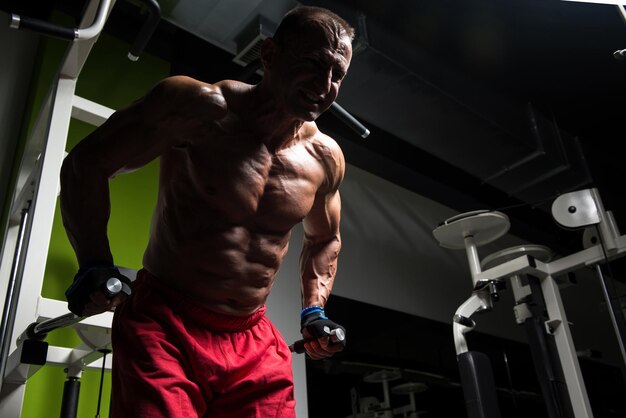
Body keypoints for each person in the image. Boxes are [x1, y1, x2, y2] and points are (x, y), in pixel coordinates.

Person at [59, 5, 354, 418]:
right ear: (269, 55)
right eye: (312, 64)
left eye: (337, 75)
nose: (325, 86)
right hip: (166, 324)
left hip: (252, 339)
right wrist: (93, 260)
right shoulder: (199, 107)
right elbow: (87, 164)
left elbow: (325, 238)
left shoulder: (325, 158)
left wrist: (315, 310)